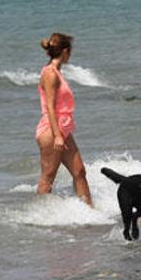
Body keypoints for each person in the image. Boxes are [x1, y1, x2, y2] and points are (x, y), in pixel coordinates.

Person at [35, 33, 92, 206]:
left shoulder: (56, 72)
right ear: (65, 51)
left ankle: (89, 212)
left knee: (79, 171)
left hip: (63, 129)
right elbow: (50, 108)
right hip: (52, 131)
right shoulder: (50, 74)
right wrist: (57, 135)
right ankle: (41, 215)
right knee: (48, 177)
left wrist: (62, 133)